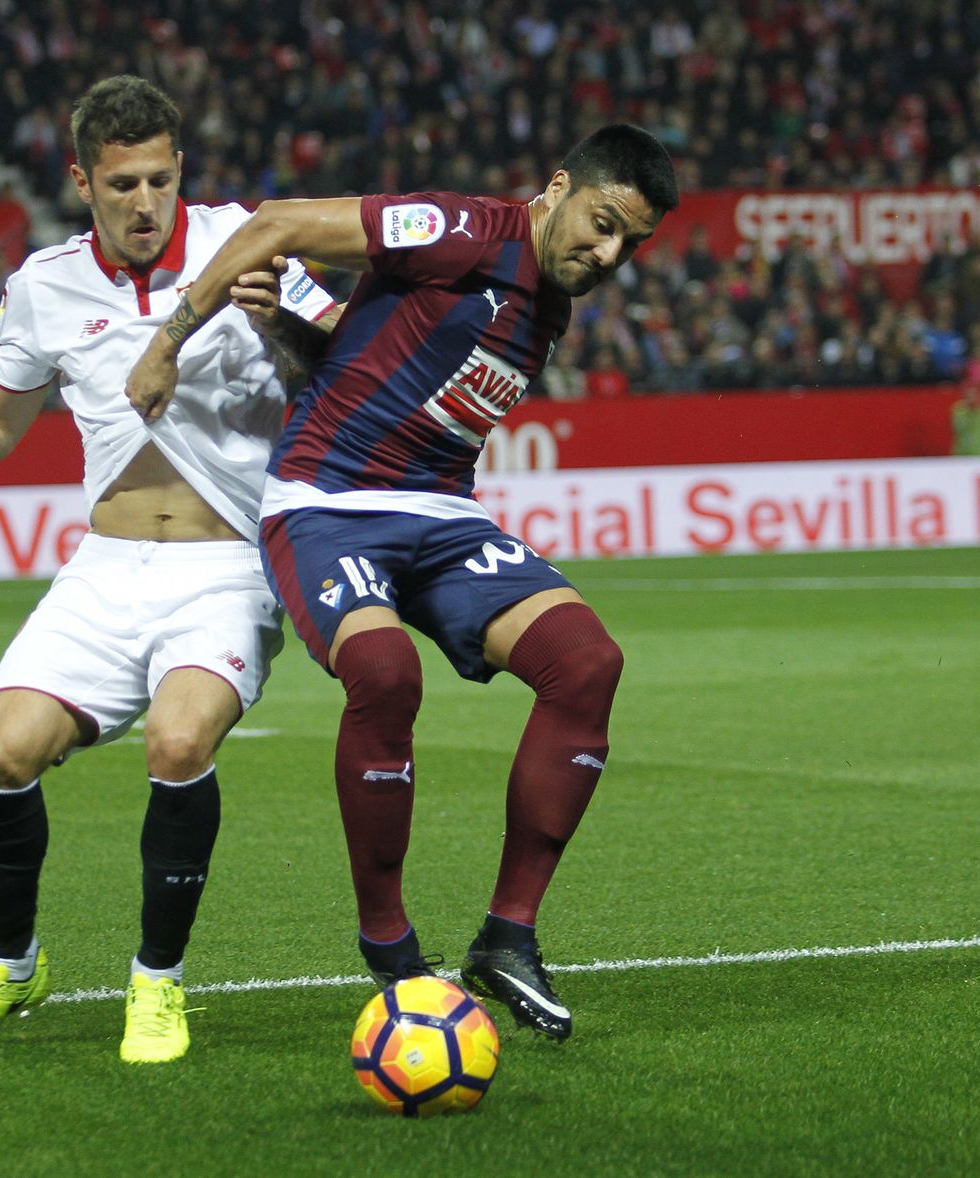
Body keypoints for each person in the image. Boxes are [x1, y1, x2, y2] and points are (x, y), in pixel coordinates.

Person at [0, 76, 335, 1064]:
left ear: (182, 170)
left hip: (227, 563)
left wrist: (290, 327)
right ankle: (11, 965)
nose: (146, 203)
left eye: (162, 179)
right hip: (107, 565)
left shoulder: (250, 243)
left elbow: (352, 366)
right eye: (123, 184)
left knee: (179, 740)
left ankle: (157, 982)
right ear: (83, 182)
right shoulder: (44, 286)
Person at [128, 123, 679, 1041]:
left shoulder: (551, 300)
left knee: (587, 664)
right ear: (558, 188)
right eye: (603, 223)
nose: (611, 254)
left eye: (632, 242)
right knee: (385, 673)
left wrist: (297, 326)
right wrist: (168, 344)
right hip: (326, 503)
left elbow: (378, 357)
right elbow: (275, 223)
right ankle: (389, 945)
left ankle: (508, 937)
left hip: (442, 515)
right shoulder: (464, 230)